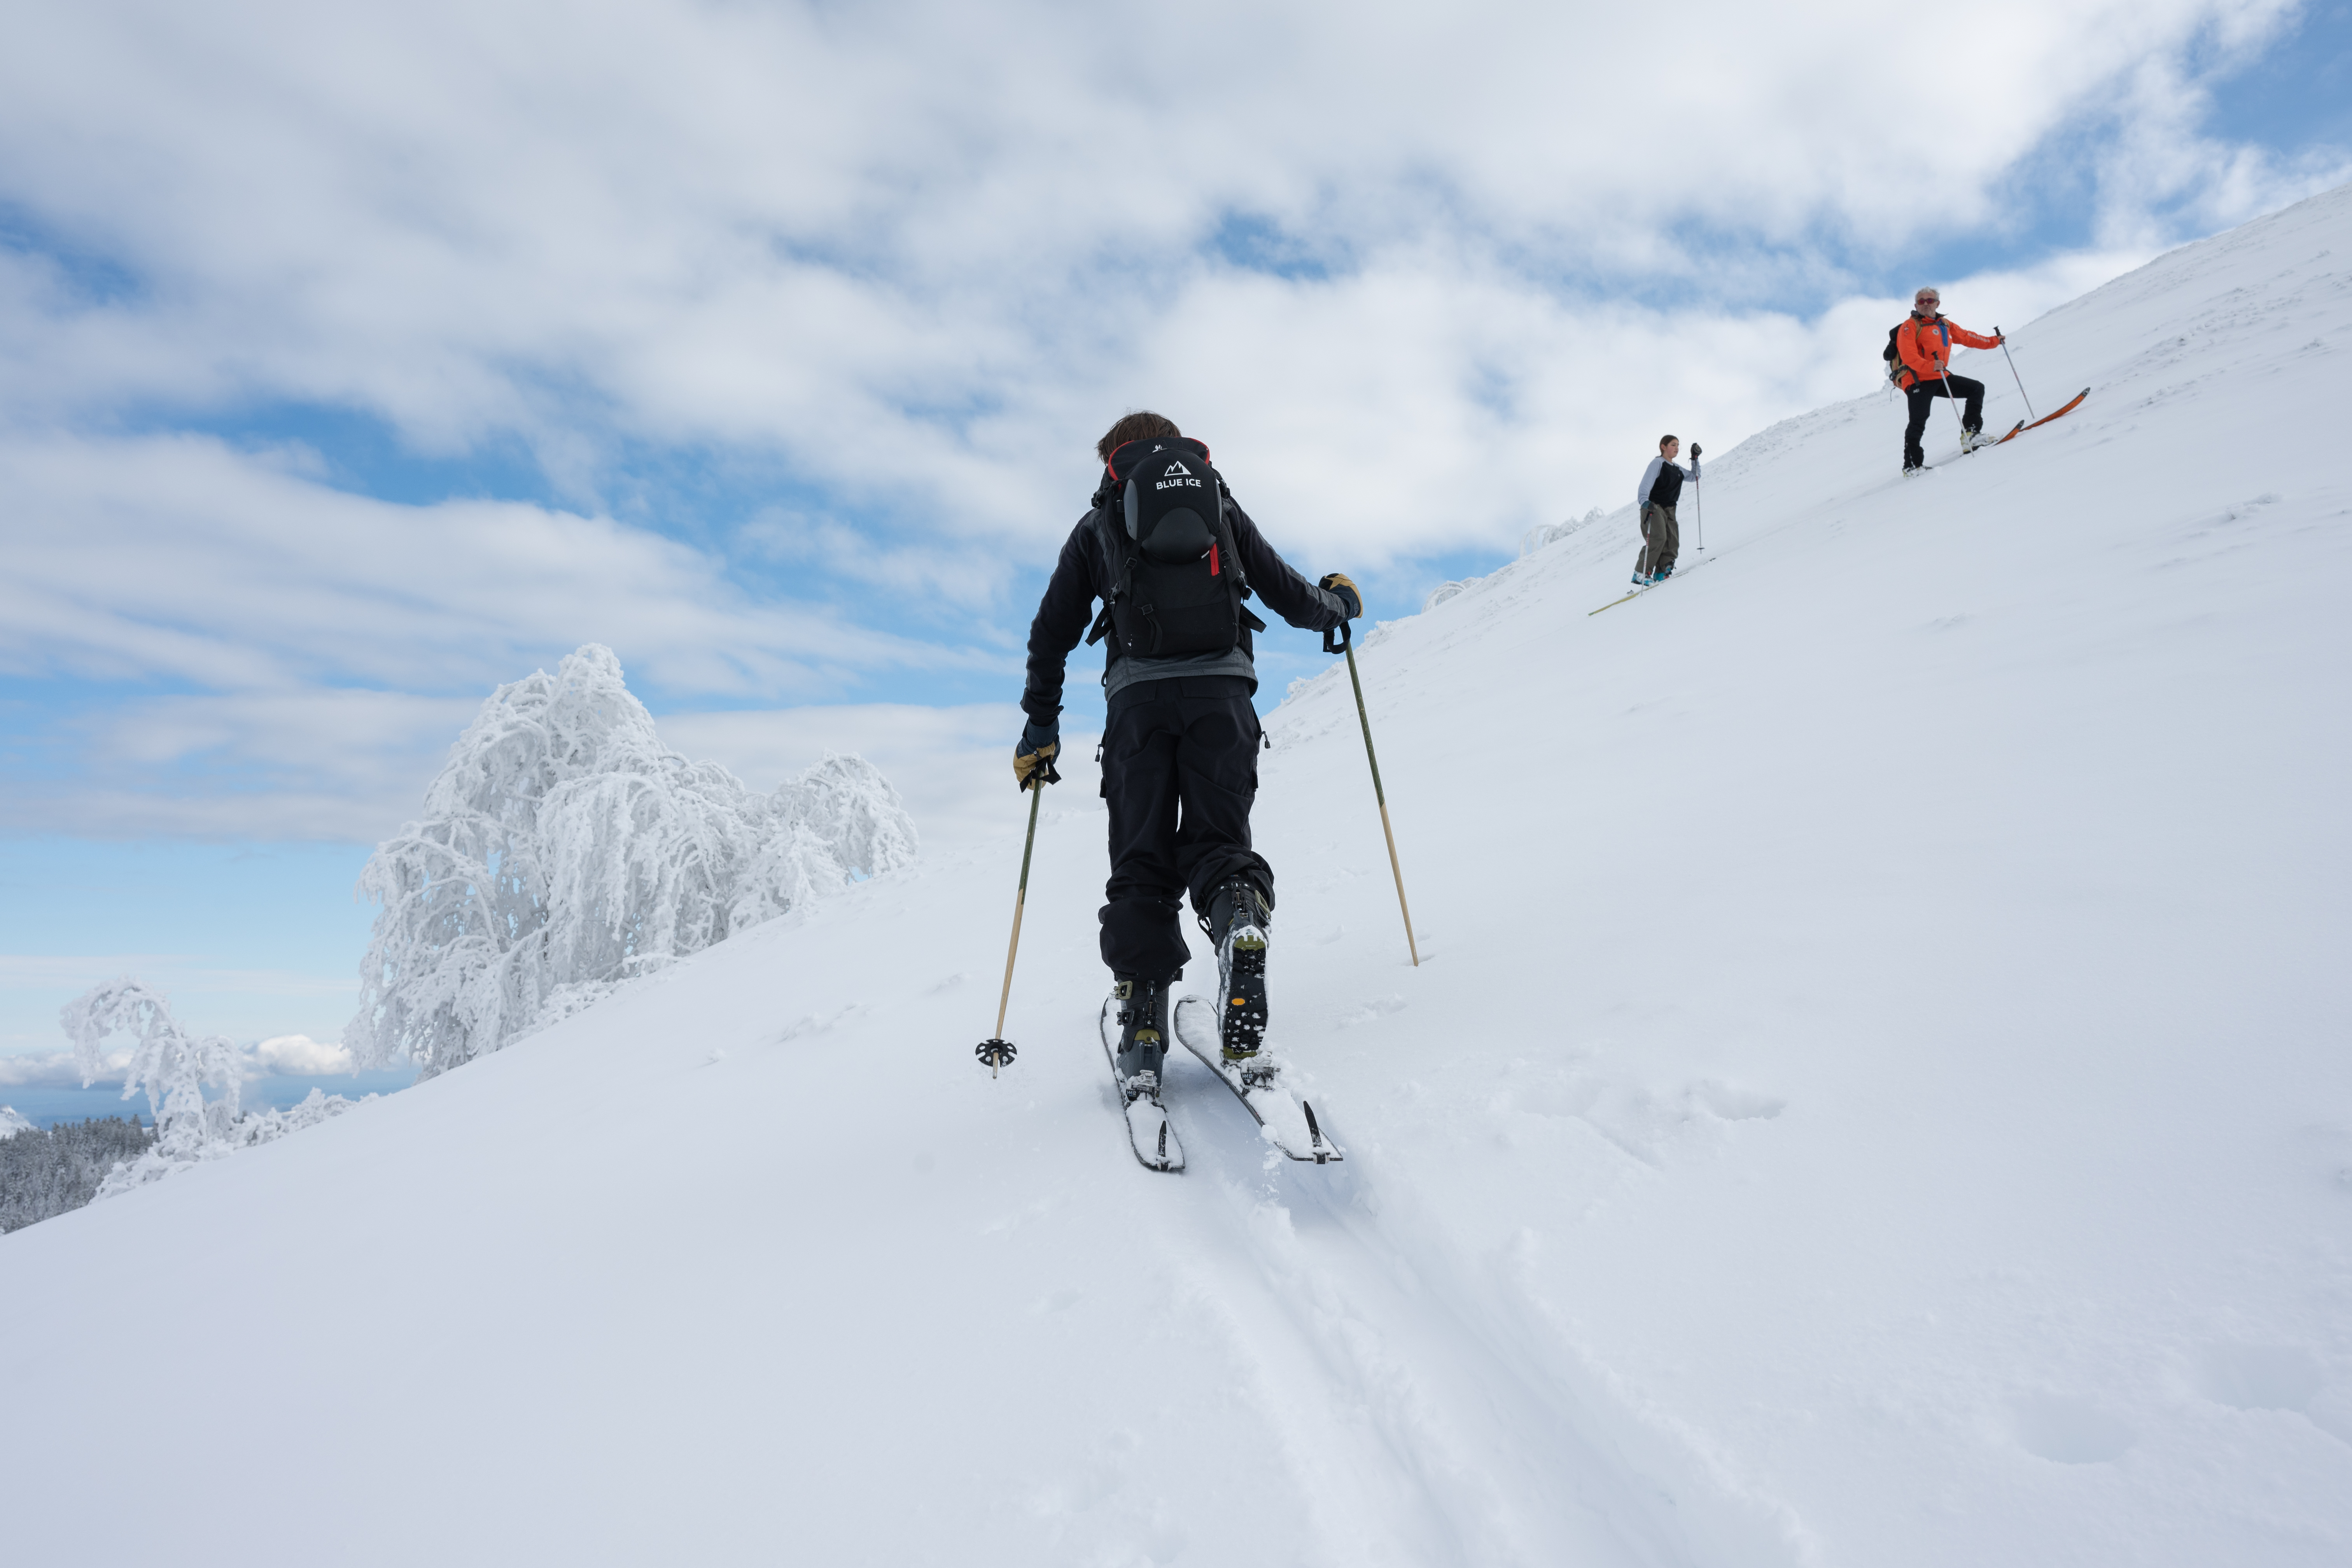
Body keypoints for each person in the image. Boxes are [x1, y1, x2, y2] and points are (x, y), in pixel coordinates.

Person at [1015, 411, 1359, 1102]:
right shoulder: (1218, 504)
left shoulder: (1098, 522)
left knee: (1140, 859)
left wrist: (1040, 732)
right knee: (1218, 842)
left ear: (1114, 458)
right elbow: (1289, 596)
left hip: (1137, 710)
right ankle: (1238, 920)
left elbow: (1050, 633)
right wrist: (1339, 603)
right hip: (1223, 701)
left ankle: (1142, 1028)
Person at [1895, 287, 2004, 474]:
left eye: (1930, 300)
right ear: (1916, 306)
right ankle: (1912, 466)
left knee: (1976, 389)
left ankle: (1971, 436)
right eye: (1921, 302)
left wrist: (1994, 341)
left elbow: (1968, 337)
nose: (1926, 304)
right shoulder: (1910, 326)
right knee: (1918, 421)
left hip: (1940, 376)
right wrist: (1930, 366)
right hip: (1917, 379)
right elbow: (1908, 355)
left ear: (1938, 304)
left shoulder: (1944, 324)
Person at [1632, 434, 1700, 585]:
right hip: (1653, 507)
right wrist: (1645, 502)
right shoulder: (1658, 463)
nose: (1676, 448)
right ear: (1664, 447)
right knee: (1659, 538)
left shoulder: (1677, 469)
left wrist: (1695, 459)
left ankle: (1662, 572)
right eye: (1673, 445)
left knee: (1672, 541)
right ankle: (1641, 574)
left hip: (1670, 509)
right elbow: (1645, 486)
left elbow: (1695, 477)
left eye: (1678, 446)